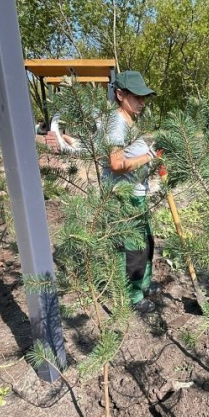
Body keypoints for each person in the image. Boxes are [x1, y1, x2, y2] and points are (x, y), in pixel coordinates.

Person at [46, 71, 159, 313]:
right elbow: (116, 164)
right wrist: (148, 156)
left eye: (144, 97)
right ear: (120, 94)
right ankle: (133, 297)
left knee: (146, 243)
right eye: (137, 96)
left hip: (138, 195)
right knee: (133, 250)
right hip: (124, 196)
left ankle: (145, 285)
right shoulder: (117, 123)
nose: (142, 101)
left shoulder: (130, 121)